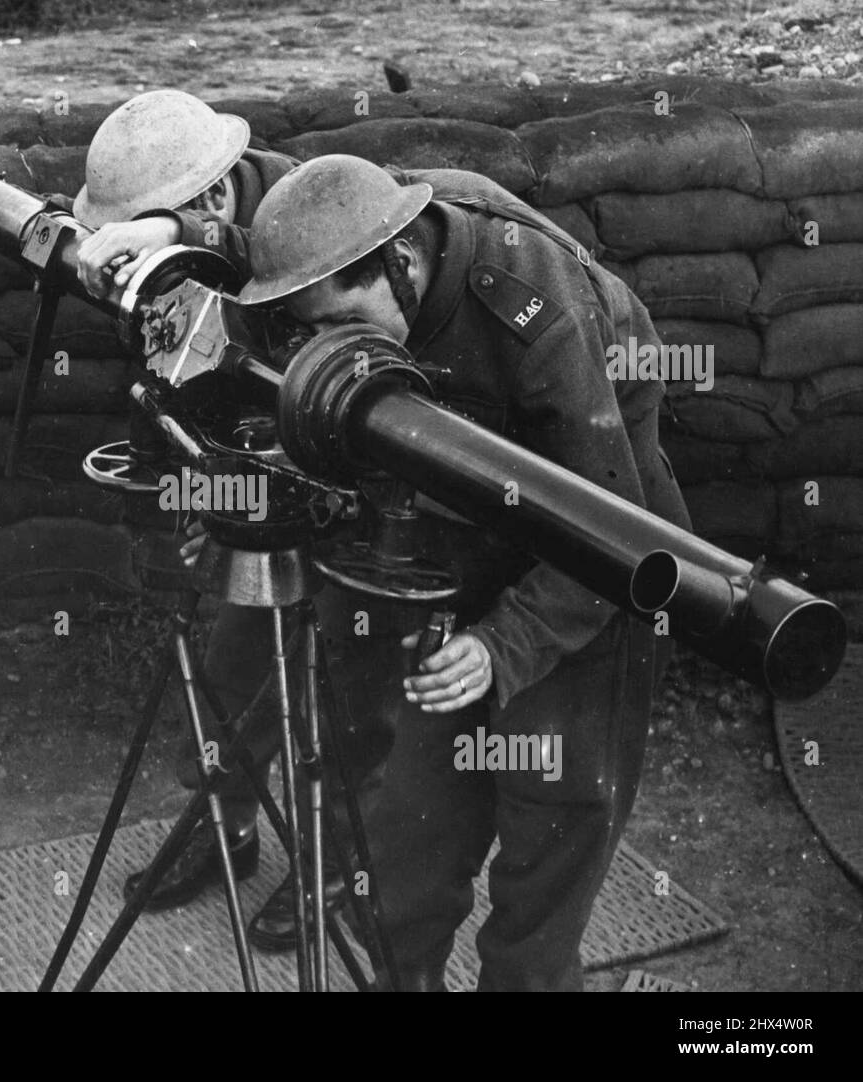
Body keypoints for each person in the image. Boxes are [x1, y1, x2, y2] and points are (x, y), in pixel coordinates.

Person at [236, 154, 691, 990]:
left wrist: (501, 646)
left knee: (545, 850)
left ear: (402, 264)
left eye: (343, 324)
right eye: (312, 332)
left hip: (597, 570)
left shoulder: (534, 306)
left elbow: (608, 524)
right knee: (405, 848)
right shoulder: (347, 241)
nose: (331, 350)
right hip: (463, 559)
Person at [70, 92, 393, 952]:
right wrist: (196, 493)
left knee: (351, 686)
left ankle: (332, 864)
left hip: (362, 481)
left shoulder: (319, 221)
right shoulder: (168, 258)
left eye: (148, 232)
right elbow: (171, 376)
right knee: (233, 666)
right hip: (254, 488)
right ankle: (227, 830)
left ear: (210, 203)